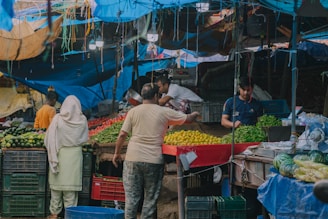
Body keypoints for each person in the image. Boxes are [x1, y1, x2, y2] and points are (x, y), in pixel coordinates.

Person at [112, 83, 200, 219]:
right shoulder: (163, 112)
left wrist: (117, 153)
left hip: (132, 159)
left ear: (142, 96)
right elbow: (187, 119)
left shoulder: (133, 112)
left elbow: (122, 135)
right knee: (150, 199)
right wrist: (196, 113)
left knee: (131, 198)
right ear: (155, 96)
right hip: (153, 160)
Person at [44, 95, 89, 219]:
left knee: (56, 190)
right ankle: (70, 214)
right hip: (74, 156)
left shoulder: (58, 119)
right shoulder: (82, 120)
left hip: (59, 155)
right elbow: (85, 138)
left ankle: (54, 214)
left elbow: (48, 139)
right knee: (71, 191)